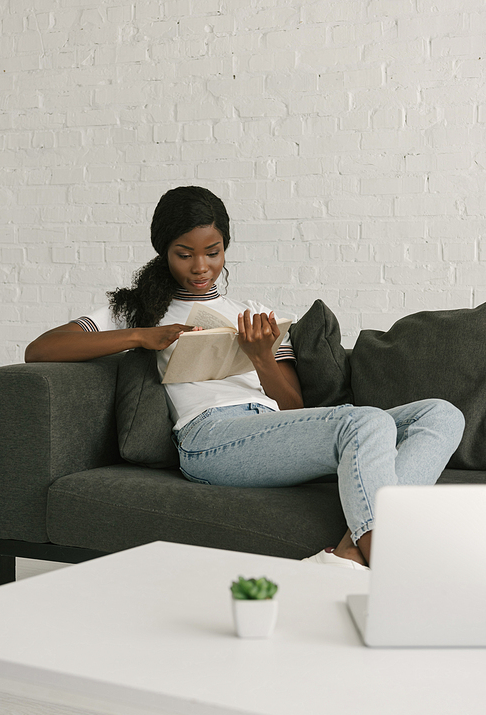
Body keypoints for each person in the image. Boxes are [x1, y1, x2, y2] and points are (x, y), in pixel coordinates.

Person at [25, 186, 465, 569]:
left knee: (441, 414)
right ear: (164, 252)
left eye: (212, 252)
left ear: (225, 248)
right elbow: (40, 349)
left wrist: (262, 358)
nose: (201, 267)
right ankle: (390, 560)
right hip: (209, 438)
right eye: (185, 254)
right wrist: (142, 335)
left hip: (269, 430)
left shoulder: (254, 316)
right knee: (367, 421)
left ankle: (356, 552)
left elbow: (295, 408)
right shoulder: (135, 310)